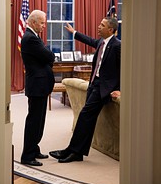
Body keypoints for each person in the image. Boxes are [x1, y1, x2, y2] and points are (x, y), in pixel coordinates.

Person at [49, 17, 121, 163]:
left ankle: (73, 151)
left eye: (102, 25)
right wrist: (74, 32)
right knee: (87, 119)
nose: (99, 27)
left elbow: (123, 69)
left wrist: (120, 90)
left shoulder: (117, 45)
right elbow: (89, 40)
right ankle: (75, 152)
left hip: (103, 88)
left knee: (84, 117)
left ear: (111, 30)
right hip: (93, 84)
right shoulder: (102, 42)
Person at [21, 9, 55, 166]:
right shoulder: (30, 38)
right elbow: (49, 56)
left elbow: (45, 57)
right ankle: (27, 156)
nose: (44, 26)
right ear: (33, 22)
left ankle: (34, 149)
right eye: (42, 23)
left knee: (39, 120)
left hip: (40, 85)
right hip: (37, 86)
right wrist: (48, 54)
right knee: (34, 121)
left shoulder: (34, 36)